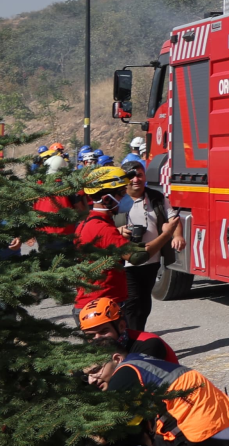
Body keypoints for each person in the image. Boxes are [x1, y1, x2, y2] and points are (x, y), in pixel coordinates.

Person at [100, 349, 229, 446]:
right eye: (88, 374)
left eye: (96, 371)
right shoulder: (143, 361)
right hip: (226, 440)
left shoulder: (125, 372)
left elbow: (103, 430)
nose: (92, 379)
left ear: (117, 359)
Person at [116, 157, 180, 334]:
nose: (136, 179)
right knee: (132, 302)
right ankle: (131, 339)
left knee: (144, 303)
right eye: (131, 176)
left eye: (140, 175)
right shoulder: (116, 199)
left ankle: (137, 336)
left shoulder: (156, 197)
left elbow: (173, 218)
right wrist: (119, 230)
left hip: (151, 260)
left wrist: (177, 235)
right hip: (126, 263)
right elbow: (103, 224)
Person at [73, 165, 133, 310]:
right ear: (107, 199)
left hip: (94, 302)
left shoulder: (88, 222)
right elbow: (135, 256)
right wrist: (166, 234)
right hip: (101, 306)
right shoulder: (103, 228)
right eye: (122, 193)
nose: (126, 197)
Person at [78, 295, 177, 371]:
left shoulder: (148, 344)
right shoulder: (89, 344)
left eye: (103, 331)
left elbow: (131, 382)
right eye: (91, 335)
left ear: (121, 326)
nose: (97, 338)